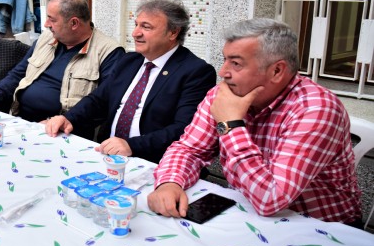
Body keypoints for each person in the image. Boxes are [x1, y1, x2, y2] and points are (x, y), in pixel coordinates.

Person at [147, 18, 362, 224]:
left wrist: (230, 125)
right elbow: (188, 149)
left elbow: (271, 199)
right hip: (246, 210)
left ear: (277, 71)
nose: (223, 72)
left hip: (321, 228)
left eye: (236, 63)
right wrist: (169, 183)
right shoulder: (223, 94)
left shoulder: (316, 109)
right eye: (225, 59)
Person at [45, 0, 216, 162]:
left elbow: (184, 128)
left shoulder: (196, 72)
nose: (135, 33)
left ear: (173, 32)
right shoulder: (130, 61)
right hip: (106, 153)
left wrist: (132, 145)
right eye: (136, 25)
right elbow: (98, 100)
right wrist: (69, 119)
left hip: (154, 161)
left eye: (146, 27)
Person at [0, 0, 124, 139]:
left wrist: (62, 121)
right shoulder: (47, 38)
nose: (46, 24)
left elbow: (104, 103)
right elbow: (18, 74)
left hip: (62, 133)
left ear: (74, 23)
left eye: (52, 19)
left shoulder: (108, 52)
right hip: (22, 123)